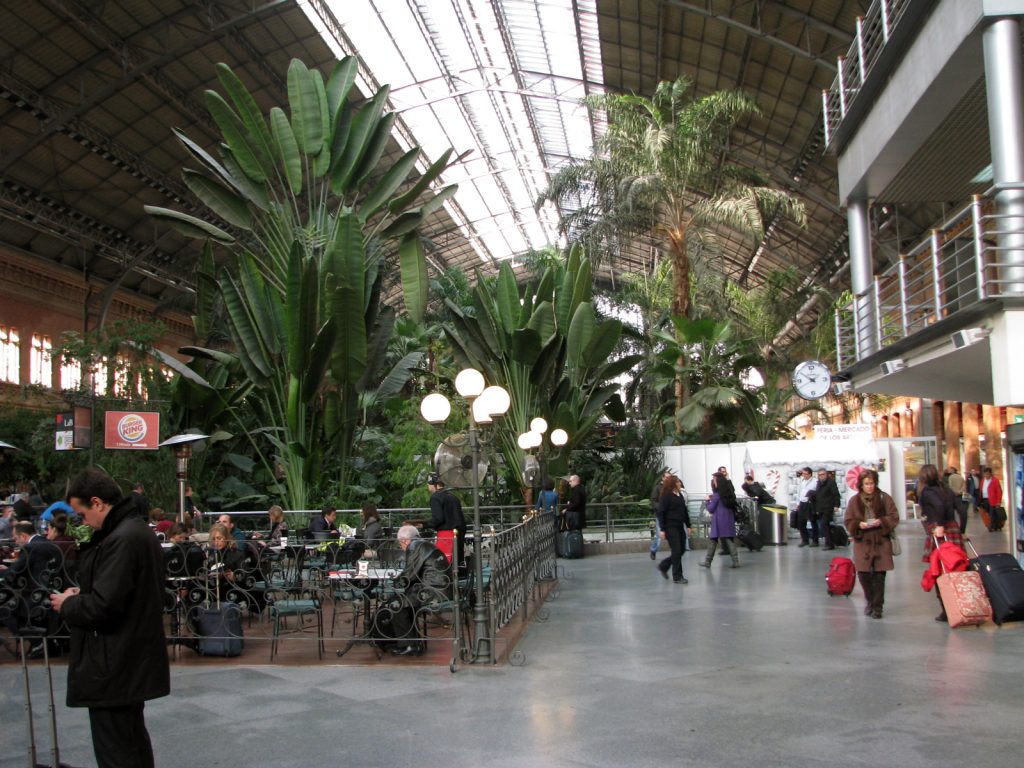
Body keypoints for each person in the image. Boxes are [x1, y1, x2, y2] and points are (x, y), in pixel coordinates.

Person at [49, 469, 169, 768]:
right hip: (127, 660)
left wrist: (68, 604)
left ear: (97, 503)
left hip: (113, 664)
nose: (82, 521)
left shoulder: (122, 538)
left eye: (82, 513)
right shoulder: (134, 531)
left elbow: (105, 606)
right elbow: (120, 593)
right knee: (130, 742)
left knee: (116, 750)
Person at [379, 524, 452, 657]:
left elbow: (409, 574)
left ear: (404, 540)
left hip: (433, 591)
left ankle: (409, 645)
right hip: (440, 588)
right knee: (402, 602)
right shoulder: (422, 544)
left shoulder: (414, 546)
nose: (401, 547)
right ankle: (413, 643)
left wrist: (394, 583)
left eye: (400, 544)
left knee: (396, 605)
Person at [843, 469, 899, 620]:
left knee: (880, 576)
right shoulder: (854, 501)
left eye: (872, 483)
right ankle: (870, 601)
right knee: (864, 575)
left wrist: (881, 521)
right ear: (861, 485)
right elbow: (848, 520)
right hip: (863, 541)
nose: (870, 486)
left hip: (881, 540)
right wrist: (858, 525)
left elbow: (894, 516)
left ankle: (878, 606)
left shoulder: (884, 498)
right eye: (866, 484)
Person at [917, 463, 963, 622]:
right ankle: (961, 604)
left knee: (940, 569)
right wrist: (960, 528)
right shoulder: (945, 489)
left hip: (940, 532)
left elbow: (938, 506)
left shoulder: (928, 492)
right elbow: (960, 508)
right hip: (953, 530)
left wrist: (939, 525)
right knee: (957, 567)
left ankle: (947, 609)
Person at [656, 476, 692, 584]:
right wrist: (662, 529)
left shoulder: (679, 495)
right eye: (678, 482)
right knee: (676, 550)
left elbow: (684, 511)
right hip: (670, 526)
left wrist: (688, 525)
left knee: (681, 550)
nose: (680, 484)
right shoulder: (666, 496)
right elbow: (661, 512)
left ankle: (664, 565)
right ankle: (677, 576)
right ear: (673, 484)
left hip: (679, 525)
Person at [700, 472, 740, 568]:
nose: (713, 481)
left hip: (719, 520)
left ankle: (708, 561)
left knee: (713, 540)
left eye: (714, 479)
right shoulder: (728, 493)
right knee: (729, 539)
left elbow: (711, 508)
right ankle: (735, 561)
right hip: (728, 518)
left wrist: (707, 501)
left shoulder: (717, 495)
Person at [428, 473, 466, 567]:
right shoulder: (452, 496)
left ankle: (447, 578)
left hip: (446, 533)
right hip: (459, 532)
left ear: (433, 484)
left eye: (428, 484)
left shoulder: (435, 497)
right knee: (457, 558)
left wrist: (424, 524)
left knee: (445, 560)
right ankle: (457, 576)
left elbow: (438, 518)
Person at [814, 468, 841, 550]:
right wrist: (817, 509)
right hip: (821, 508)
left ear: (826, 474)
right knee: (825, 526)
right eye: (819, 475)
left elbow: (836, 494)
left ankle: (829, 543)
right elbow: (818, 496)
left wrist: (836, 505)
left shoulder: (831, 482)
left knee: (824, 524)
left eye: (823, 474)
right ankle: (830, 542)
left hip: (828, 507)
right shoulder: (819, 483)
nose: (821, 476)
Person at [649, 471, 674, 560]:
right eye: (666, 477)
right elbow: (653, 500)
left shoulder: (672, 488)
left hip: (671, 515)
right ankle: (653, 550)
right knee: (660, 537)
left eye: (669, 477)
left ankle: (675, 552)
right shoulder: (657, 488)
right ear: (663, 478)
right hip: (661, 515)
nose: (668, 479)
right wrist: (660, 508)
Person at [793, 466, 819, 547]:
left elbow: (817, 493)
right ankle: (805, 540)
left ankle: (815, 540)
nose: (804, 475)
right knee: (801, 522)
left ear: (810, 474)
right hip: (802, 503)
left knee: (813, 521)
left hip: (810, 503)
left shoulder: (815, 481)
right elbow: (799, 493)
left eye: (805, 474)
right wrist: (798, 503)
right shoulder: (802, 481)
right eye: (803, 474)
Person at [945, 466, 967, 534]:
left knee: (951, 513)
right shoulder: (960, 477)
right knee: (963, 513)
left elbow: (950, 486)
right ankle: (962, 529)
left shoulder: (950, 477)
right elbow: (964, 485)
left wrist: (955, 492)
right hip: (960, 496)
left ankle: (953, 528)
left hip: (952, 496)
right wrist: (960, 491)